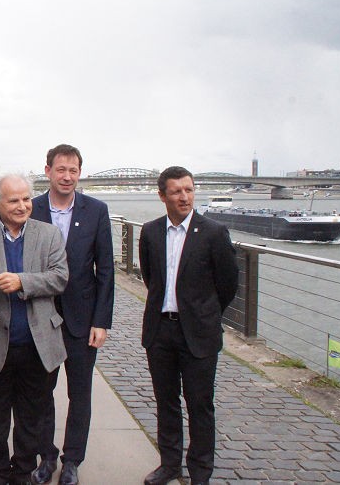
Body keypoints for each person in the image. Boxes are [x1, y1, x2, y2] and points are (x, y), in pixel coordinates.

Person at [139, 166, 238, 485]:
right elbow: (150, 277)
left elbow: (228, 284)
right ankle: (170, 465)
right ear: (162, 196)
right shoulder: (151, 232)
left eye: (189, 190)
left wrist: (203, 314)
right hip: (160, 331)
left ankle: (200, 473)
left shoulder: (214, 233)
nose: (184, 197)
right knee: (166, 402)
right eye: (177, 191)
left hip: (198, 333)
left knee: (200, 405)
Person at [31, 144, 114, 485]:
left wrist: (101, 321)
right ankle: (46, 456)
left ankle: (72, 461)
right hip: (42, 318)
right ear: (48, 171)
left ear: (80, 173)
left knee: (80, 395)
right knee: (41, 393)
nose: (67, 176)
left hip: (82, 320)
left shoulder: (96, 210)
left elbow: (105, 270)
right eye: (61, 169)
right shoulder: (32, 208)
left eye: (73, 170)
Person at [0, 174, 69, 485]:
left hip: (38, 344)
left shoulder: (49, 234)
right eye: (14, 200)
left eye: (26, 199)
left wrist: (22, 281)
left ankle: (22, 473)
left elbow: (60, 278)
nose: (22, 206)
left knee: (31, 418)